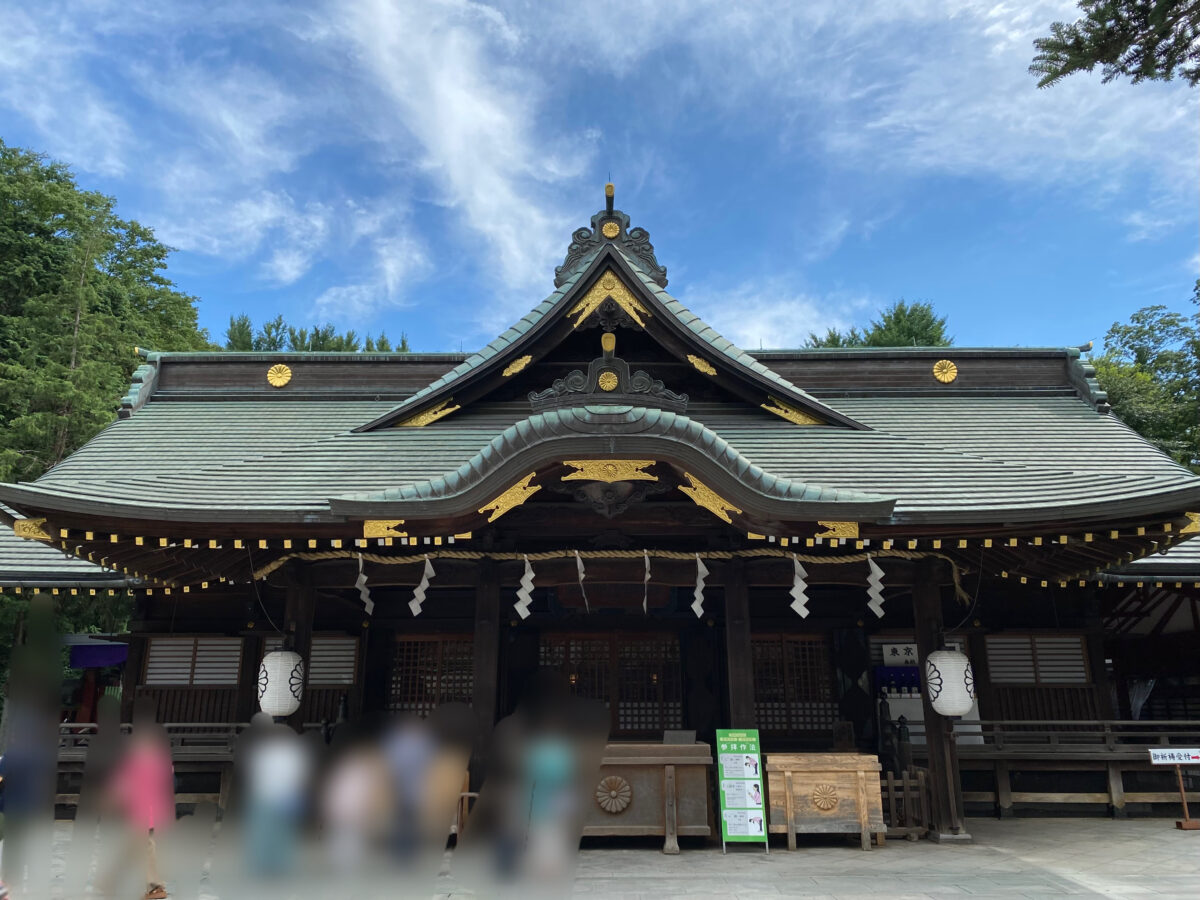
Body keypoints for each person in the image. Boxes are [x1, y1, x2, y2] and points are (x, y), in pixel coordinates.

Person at [101, 703, 174, 899]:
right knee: (135, 846)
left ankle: (154, 887)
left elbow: (122, 782)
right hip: (155, 809)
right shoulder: (162, 760)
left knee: (142, 846)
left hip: (139, 810)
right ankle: (111, 879)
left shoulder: (134, 759)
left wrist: (110, 798)